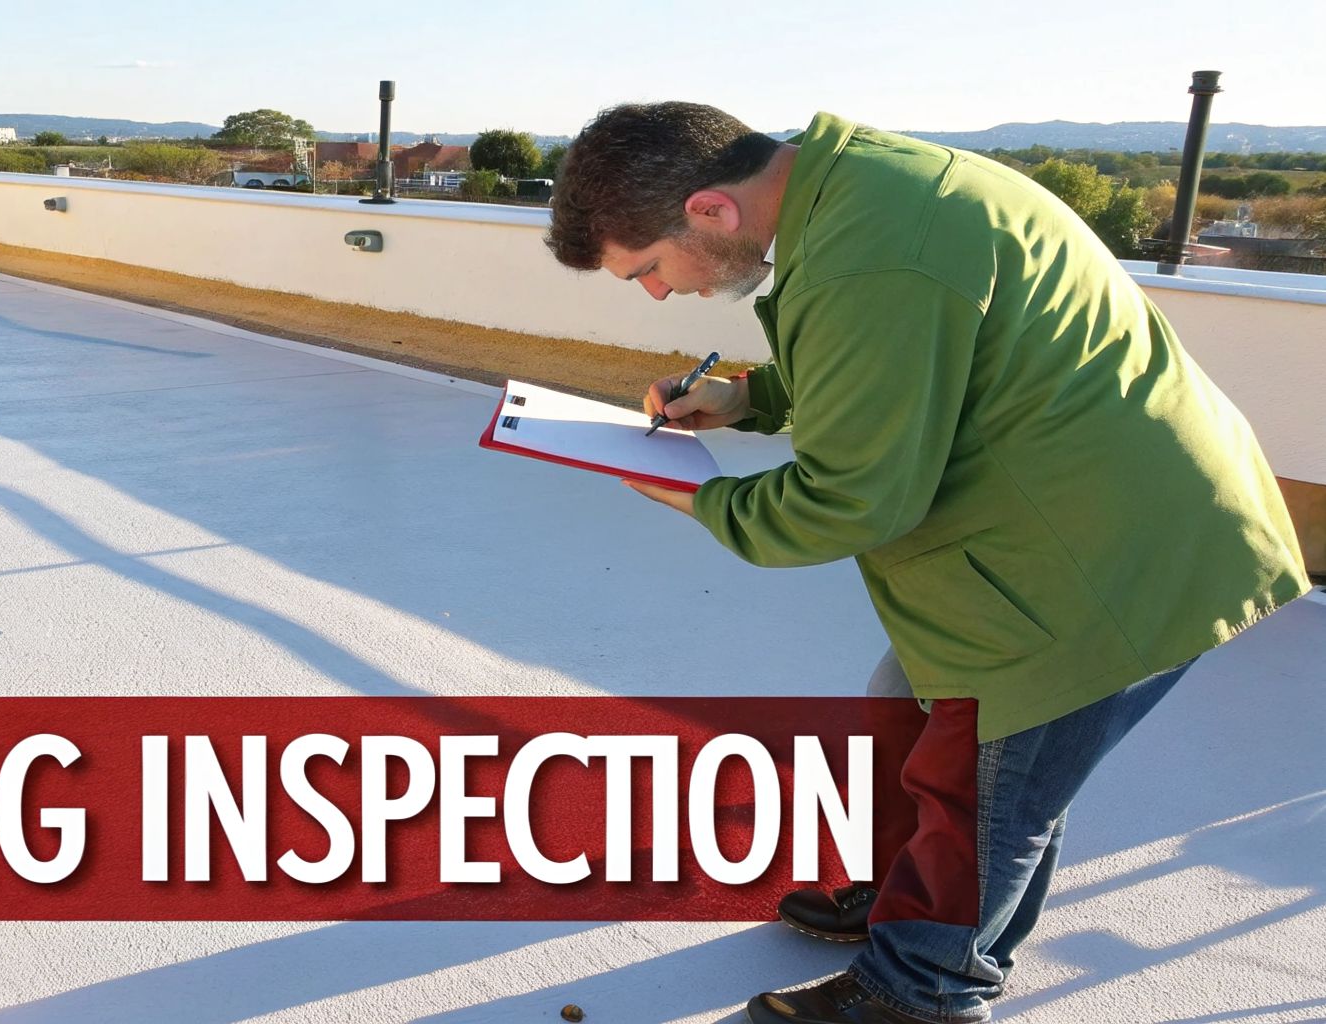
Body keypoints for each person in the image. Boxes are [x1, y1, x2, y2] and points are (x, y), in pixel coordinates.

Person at [544, 102, 1310, 1024]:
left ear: (710, 209)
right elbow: (903, 355)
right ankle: (904, 904)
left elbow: (850, 499)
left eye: (648, 270)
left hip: (1105, 556)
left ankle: (922, 991)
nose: (657, 295)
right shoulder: (860, 188)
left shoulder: (874, 253)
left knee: (985, 791)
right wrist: (746, 398)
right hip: (1075, 512)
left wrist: (696, 497)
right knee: (904, 708)